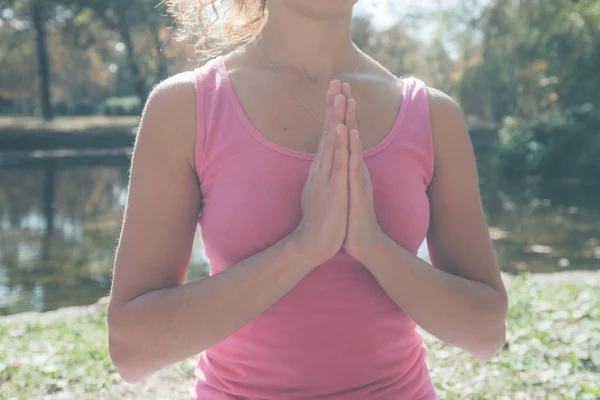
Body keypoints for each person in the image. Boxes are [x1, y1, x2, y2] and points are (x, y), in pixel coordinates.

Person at [107, 1, 508, 398]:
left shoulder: (432, 116)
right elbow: (133, 352)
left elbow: (486, 334)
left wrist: (373, 246)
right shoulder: (186, 108)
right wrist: (304, 246)